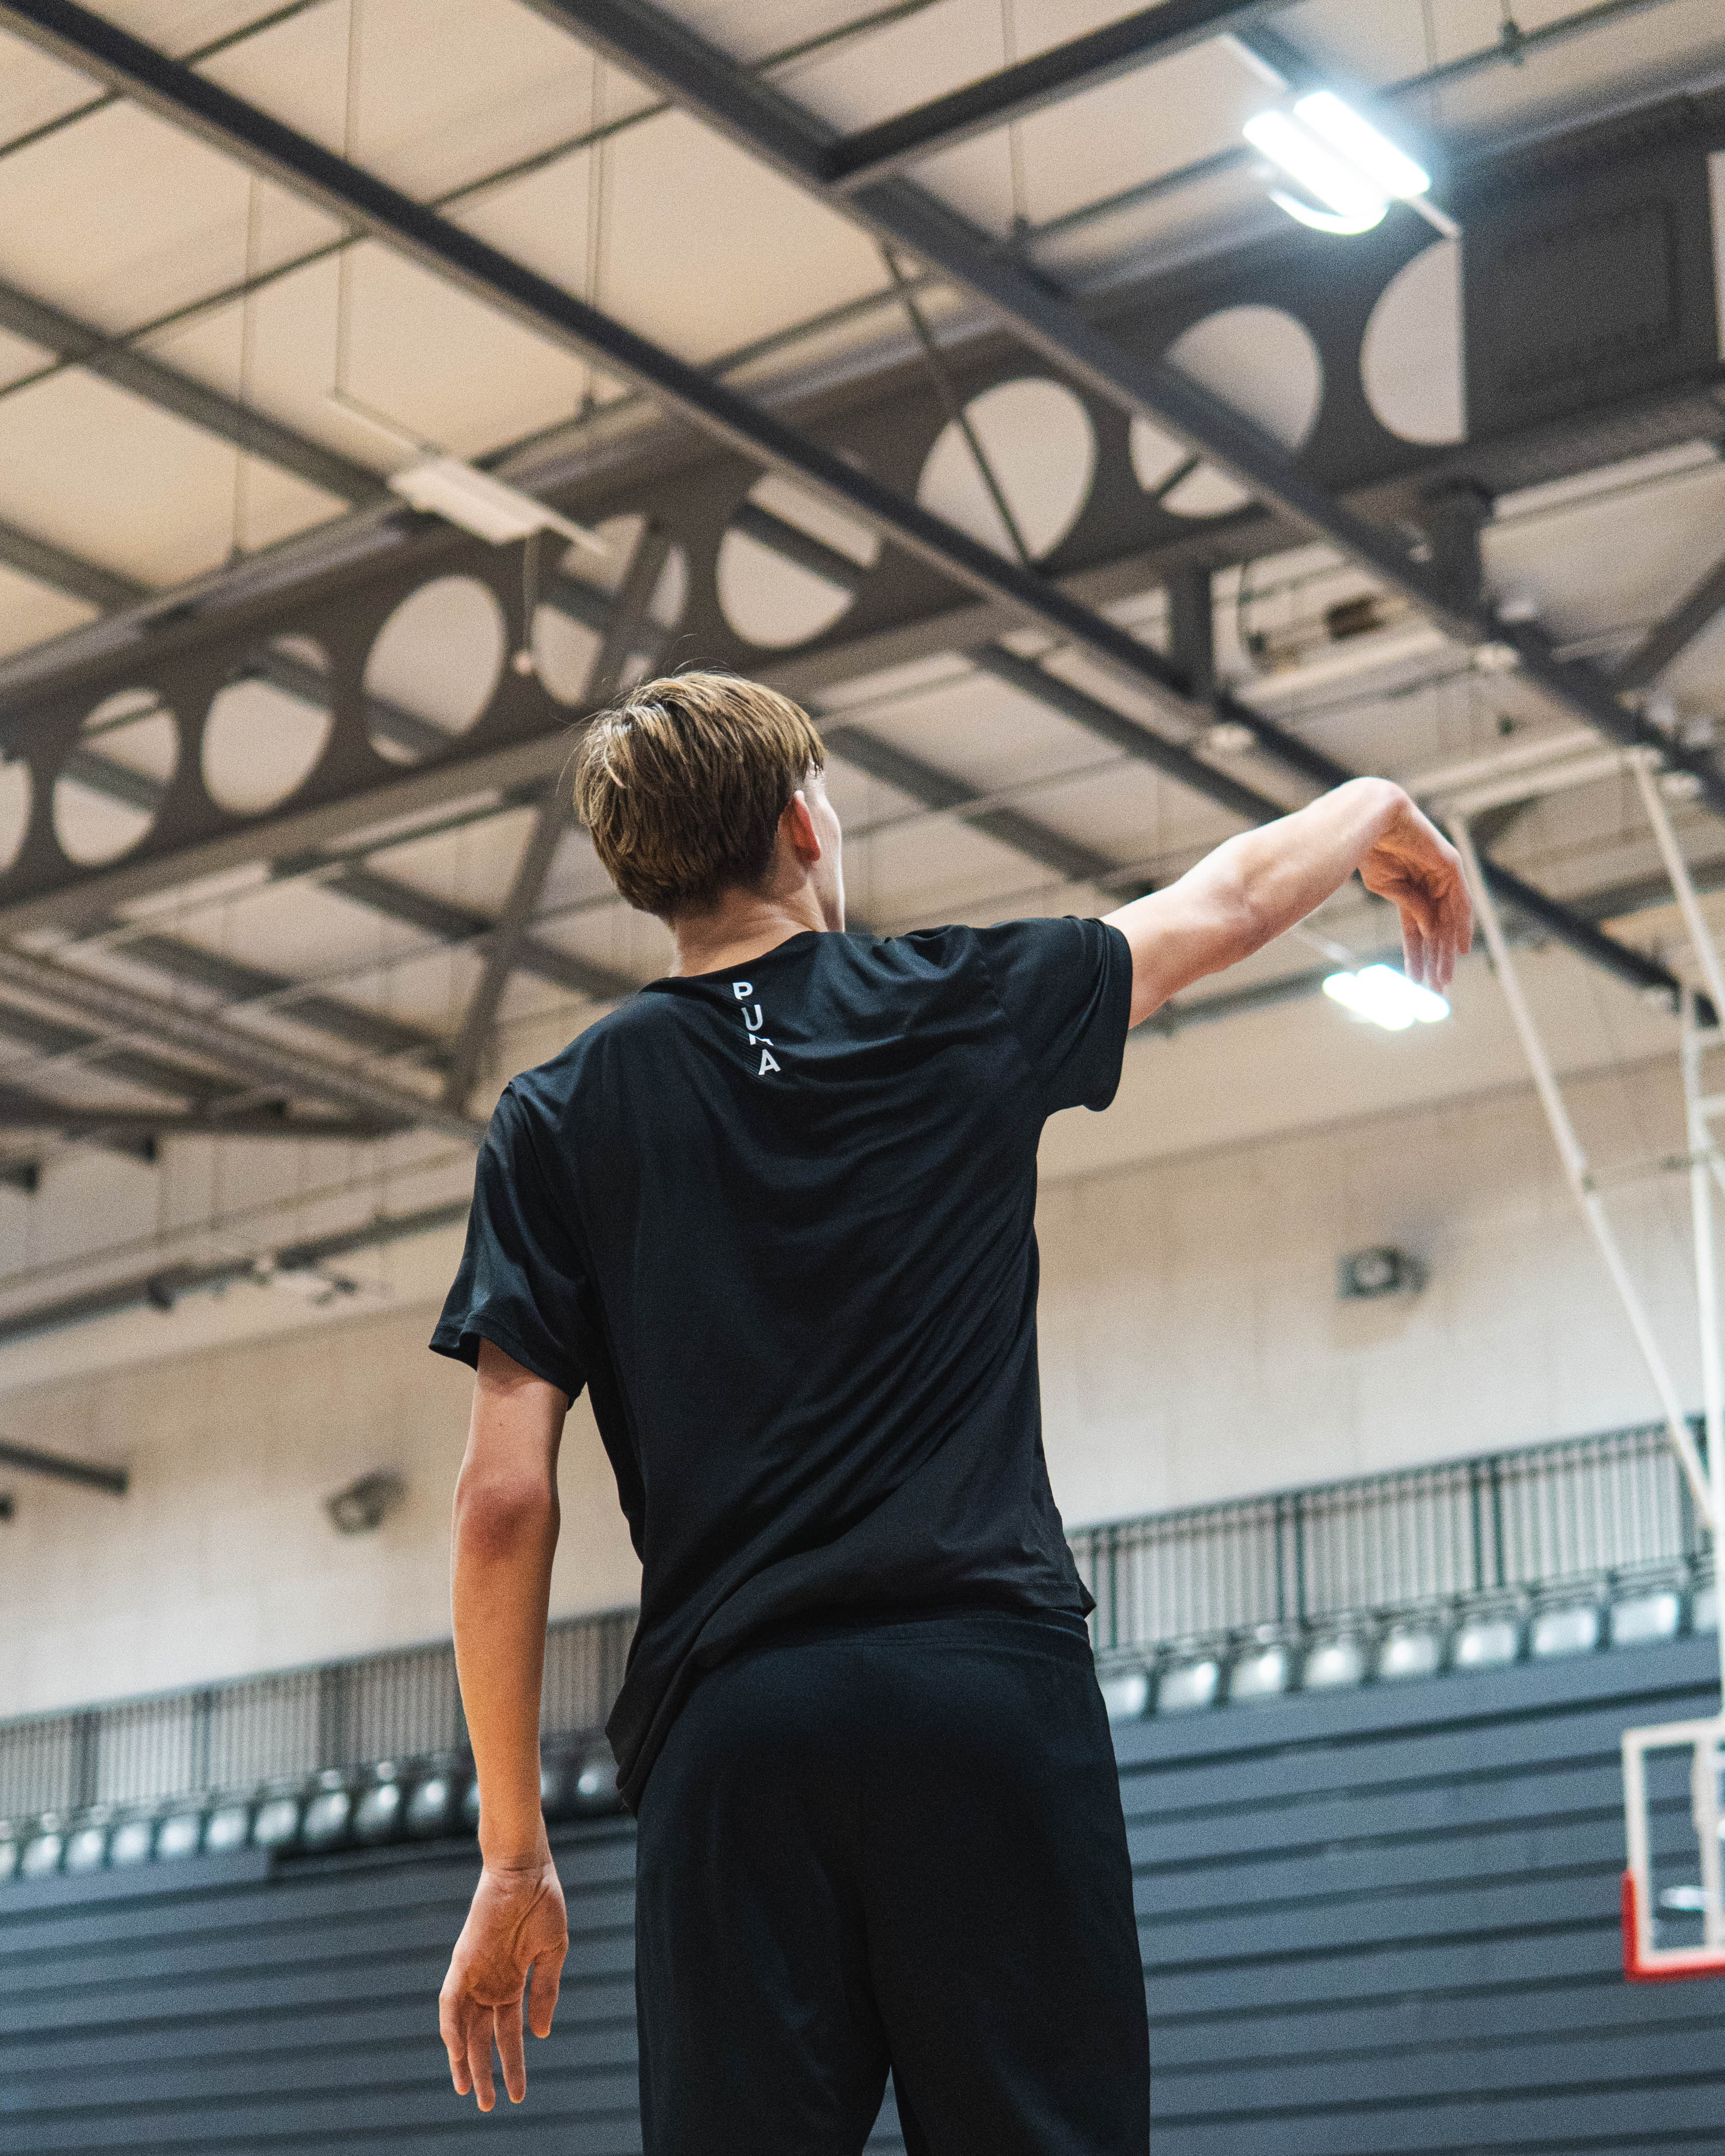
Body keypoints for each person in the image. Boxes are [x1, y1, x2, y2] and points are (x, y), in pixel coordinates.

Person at [430, 671, 1471, 2152]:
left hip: (737, 1732)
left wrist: (513, 1852)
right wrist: (1372, 806)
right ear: (804, 825)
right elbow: (1232, 900)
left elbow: (500, 1502)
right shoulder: (959, 998)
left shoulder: (555, 1115)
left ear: (644, 872)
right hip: (984, 1694)